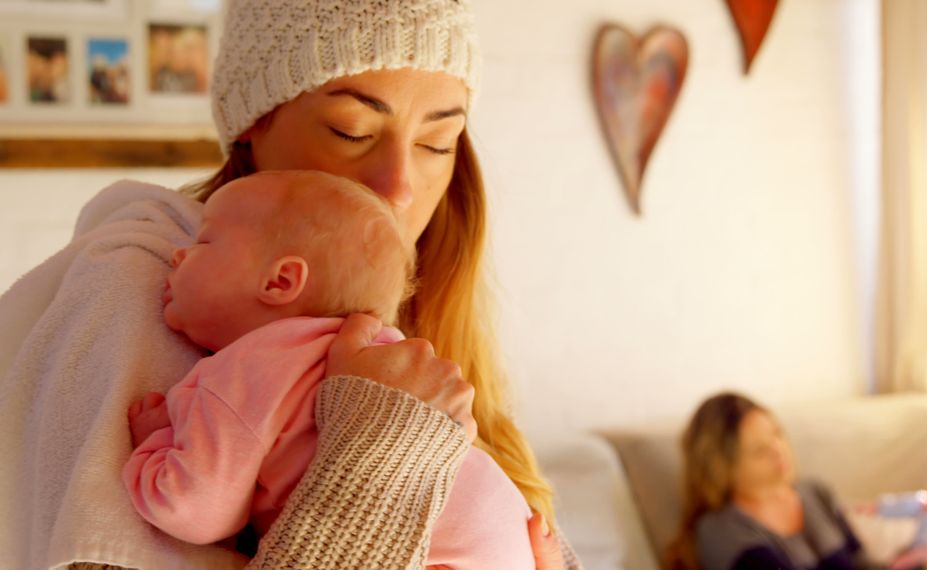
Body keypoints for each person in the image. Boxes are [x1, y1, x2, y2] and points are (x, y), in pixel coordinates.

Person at [0, 0, 578, 568]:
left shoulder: (417, 328)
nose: (399, 186)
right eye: (351, 130)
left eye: (437, 143)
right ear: (254, 123)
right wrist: (379, 455)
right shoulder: (147, 296)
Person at [122, 170, 535, 569]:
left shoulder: (249, 366)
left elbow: (192, 508)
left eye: (205, 241)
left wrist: (158, 442)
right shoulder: (381, 350)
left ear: (281, 281)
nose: (178, 253)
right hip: (506, 537)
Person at [666, 392, 873, 570]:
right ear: (724, 469)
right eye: (760, 450)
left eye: (777, 434)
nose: (779, 451)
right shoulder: (719, 530)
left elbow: (862, 562)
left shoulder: (815, 491)